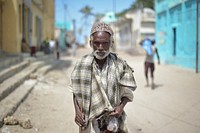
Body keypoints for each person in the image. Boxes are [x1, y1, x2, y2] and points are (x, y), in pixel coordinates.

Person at [70, 22, 137, 133]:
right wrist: (77, 111)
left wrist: (121, 107)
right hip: (90, 119)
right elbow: (76, 91)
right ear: (91, 43)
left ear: (111, 43)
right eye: (97, 43)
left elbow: (127, 93)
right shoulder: (82, 63)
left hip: (113, 120)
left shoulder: (119, 64)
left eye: (105, 43)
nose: (100, 48)